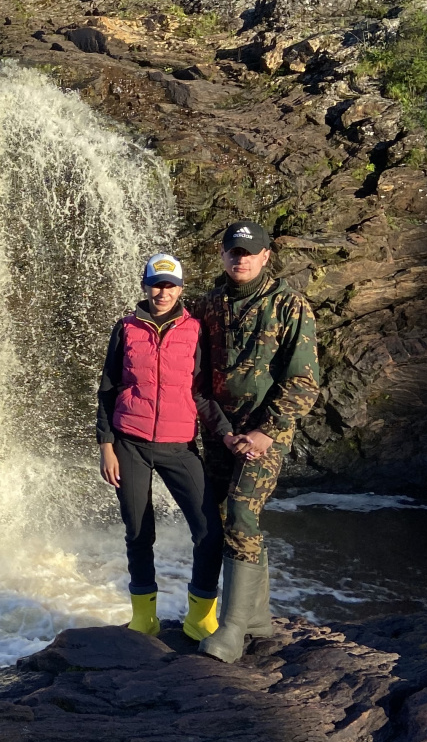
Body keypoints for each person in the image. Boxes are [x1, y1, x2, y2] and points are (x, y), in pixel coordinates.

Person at [190, 220, 321, 663]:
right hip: (222, 433)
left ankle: (230, 631)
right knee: (224, 516)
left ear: (266, 256)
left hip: (266, 434)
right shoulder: (208, 305)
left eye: (249, 252)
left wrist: (266, 431)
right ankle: (258, 620)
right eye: (233, 251)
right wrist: (224, 431)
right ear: (223, 256)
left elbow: (304, 381)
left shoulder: (289, 304)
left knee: (242, 516)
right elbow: (198, 377)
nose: (240, 259)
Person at [97, 252, 232, 643]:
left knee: (209, 532)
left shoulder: (194, 330)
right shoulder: (125, 329)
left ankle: (200, 619)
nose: (163, 291)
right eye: (157, 283)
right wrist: (106, 446)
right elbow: (107, 390)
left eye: (170, 285)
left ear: (180, 289)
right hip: (130, 445)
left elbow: (202, 393)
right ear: (146, 285)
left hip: (179, 446)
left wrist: (225, 433)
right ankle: (144, 619)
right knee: (139, 532)